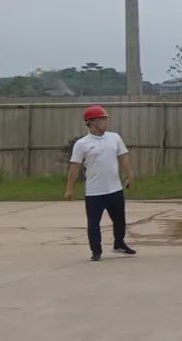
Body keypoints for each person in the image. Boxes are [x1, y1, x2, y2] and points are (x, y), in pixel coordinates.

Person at [64, 105, 137, 261]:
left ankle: (119, 244)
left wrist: (129, 175)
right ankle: (96, 251)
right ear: (91, 122)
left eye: (105, 119)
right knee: (93, 224)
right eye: (102, 119)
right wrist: (69, 189)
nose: (106, 122)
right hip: (95, 192)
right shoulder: (82, 144)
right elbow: (74, 167)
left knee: (120, 220)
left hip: (115, 189)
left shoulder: (114, 137)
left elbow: (123, 157)